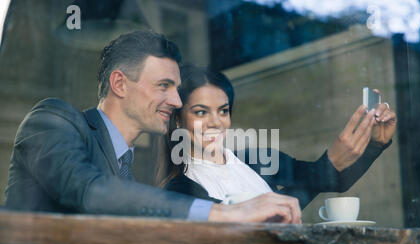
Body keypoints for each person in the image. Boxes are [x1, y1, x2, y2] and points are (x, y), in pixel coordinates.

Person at [4, 31, 301, 224]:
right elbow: (89, 191)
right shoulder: (53, 119)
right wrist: (224, 212)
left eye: (177, 88)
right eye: (164, 86)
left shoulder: (131, 170)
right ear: (119, 83)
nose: (175, 100)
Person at [163, 65, 397, 209]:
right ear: (177, 120)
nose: (216, 122)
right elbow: (242, 229)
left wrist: (374, 145)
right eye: (201, 112)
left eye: (223, 111)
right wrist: (330, 162)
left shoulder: (258, 159)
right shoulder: (180, 189)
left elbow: (332, 180)